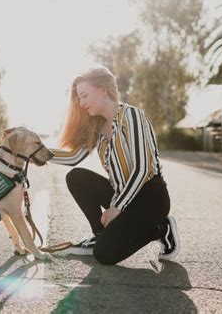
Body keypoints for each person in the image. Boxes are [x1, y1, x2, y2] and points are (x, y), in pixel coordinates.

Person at [47, 66, 180, 265]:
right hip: (123, 195)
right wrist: (34, 152)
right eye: (79, 99)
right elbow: (73, 158)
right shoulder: (97, 128)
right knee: (76, 177)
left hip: (151, 197)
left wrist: (117, 207)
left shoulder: (131, 116)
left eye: (84, 96)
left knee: (104, 255)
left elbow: (142, 168)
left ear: (102, 90)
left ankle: (161, 228)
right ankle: (99, 235)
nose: (81, 104)